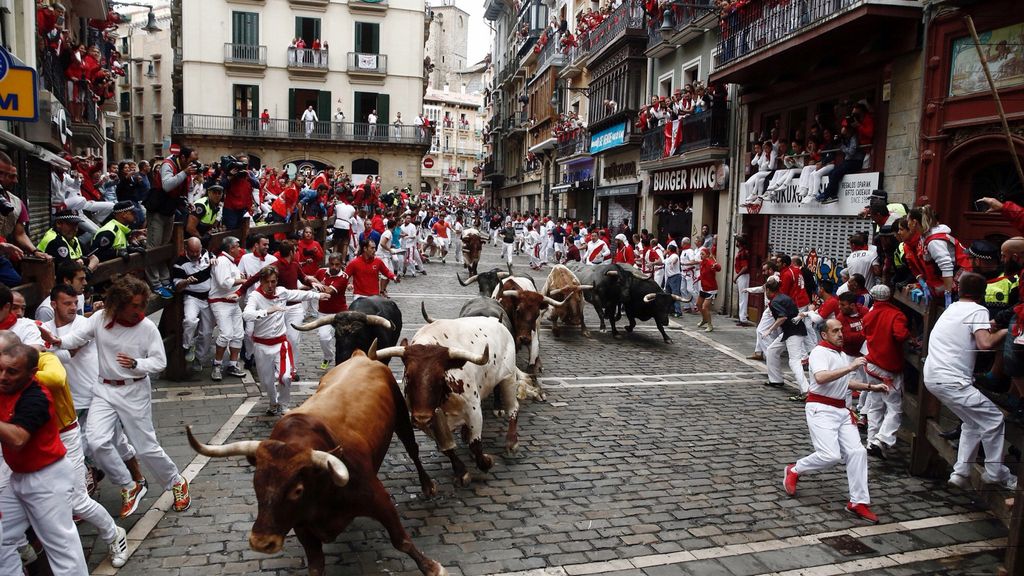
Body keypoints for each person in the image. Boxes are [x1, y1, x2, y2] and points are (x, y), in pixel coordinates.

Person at [41, 274, 193, 518]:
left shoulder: (147, 328)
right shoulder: (101, 319)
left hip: (134, 390)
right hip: (103, 389)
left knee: (145, 447)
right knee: (96, 440)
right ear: (119, 304)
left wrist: (136, 363)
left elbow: (159, 361)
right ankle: (128, 485)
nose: (140, 310)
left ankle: (176, 481)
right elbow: (78, 338)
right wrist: (57, 340)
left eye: (142, 304)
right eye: (134, 305)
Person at [782, 318, 888, 524]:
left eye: (841, 330)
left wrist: (870, 387)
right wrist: (851, 367)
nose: (841, 334)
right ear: (824, 334)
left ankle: (858, 501)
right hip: (821, 409)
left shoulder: (838, 354)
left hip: (841, 410)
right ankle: (795, 469)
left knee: (857, 452)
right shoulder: (819, 353)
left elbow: (843, 381)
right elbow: (821, 378)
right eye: (836, 331)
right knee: (830, 455)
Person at [0, 343, 90, 574]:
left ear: (31, 373)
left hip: (47, 478)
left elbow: (19, 438)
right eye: (0, 370)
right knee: (3, 538)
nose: (3, 377)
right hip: (18, 476)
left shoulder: (37, 396)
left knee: (61, 546)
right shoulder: (4, 389)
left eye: (12, 372)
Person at [924, 272, 1017, 490]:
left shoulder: (952, 309)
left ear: (959, 289)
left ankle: (961, 472)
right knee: (994, 420)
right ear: (982, 293)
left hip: (933, 376)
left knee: (972, 422)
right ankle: (996, 472)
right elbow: (985, 344)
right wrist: (1005, 331)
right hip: (953, 380)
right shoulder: (978, 310)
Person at [243, 267, 327, 415]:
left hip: (280, 343)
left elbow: (298, 294)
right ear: (261, 282)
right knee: (267, 382)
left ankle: (283, 404)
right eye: (267, 282)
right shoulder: (255, 297)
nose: (270, 285)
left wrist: (318, 296)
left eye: (273, 281)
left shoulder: (281, 291)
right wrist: (266, 311)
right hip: (261, 345)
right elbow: (247, 315)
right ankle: (273, 402)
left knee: (286, 376)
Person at [860, 284, 910, 459]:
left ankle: (871, 441)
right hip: (888, 367)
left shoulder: (869, 315)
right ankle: (883, 439)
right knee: (894, 406)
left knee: (875, 404)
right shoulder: (896, 314)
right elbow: (901, 335)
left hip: (872, 364)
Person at [0, 152, 51, 286]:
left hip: (1, 257)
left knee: (17, 287)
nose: (15, 180)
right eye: (8, 176)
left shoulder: (15, 202)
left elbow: (20, 233)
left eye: (10, 175)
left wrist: (34, 251)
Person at [208, 236, 248, 381]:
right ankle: (217, 365)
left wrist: (241, 278)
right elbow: (224, 283)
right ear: (231, 248)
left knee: (238, 334)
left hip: (233, 303)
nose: (240, 249)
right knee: (226, 334)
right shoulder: (222, 261)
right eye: (237, 246)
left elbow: (233, 280)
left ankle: (233, 364)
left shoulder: (231, 263)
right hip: (220, 302)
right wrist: (243, 280)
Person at [173, 237, 214, 369]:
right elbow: (177, 287)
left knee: (207, 332)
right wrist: (186, 282)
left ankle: (199, 359)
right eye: (192, 252)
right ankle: (188, 345)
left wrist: (214, 259)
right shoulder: (179, 263)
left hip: (208, 298)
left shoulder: (208, 254)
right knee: (190, 320)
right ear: (186, 249)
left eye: (198, 251)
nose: (196, 255)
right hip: (192, 297)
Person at [762, 277, 809, 394]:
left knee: (794, 361)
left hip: (794, 333)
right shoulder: (784, 297)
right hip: (789, 331)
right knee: (771, 350)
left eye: (765, 291)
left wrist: (769, 330)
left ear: (768, 290)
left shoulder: (775, 302)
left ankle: (806, 390)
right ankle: (775, 380)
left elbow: (782, 317)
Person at [313, 253, 349, 370]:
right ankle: (328, 357)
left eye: (337, 265)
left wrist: (317, 285)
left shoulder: (344, 277)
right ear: (328, 263)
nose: (334, 267)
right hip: (323, 312)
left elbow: (328, 291)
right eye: (332, 264)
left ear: (341, 264)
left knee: (343, 339)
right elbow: (310, 283)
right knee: (324, 338)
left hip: (340, 313)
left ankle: (343, 363)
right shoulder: (321, 272)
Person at [91, 200, 144, 265]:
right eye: (133, 213)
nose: (136, 215)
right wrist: (116, 252)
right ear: (124, 214)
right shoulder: (109, 231)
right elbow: (95, 254)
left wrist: (130, 249)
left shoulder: (122, 228)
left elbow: (119, 246)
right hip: (106, 271)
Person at [697, 246, 721, 332]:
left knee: (705, 307)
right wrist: (698, 278)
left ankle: (710, 325)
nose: (701, 255)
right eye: (701, 254)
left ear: (707, 255)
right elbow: (703, 274)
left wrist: (716, 265)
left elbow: (718, 268)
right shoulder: (702, 263)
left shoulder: (710, 262)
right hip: (704, 287)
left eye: (702, 254)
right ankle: (704, 319)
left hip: (711, 289)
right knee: (698, 304)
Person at [333, 193, 356, 262]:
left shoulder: (338, 206)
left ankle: (333, 259)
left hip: (338, 224)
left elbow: (336, 214)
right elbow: (350, 217)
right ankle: (343, 261)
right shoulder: (353, 209)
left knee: (336, 243)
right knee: (345, 244)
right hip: (346, 225)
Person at [734, 236, 751, 326]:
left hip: (743, 276)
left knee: (743, 297)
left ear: (739, 243)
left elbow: (745, 267)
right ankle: (742, 317)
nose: (736, 243)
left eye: (737, 241)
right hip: (742, 276)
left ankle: (743, 318)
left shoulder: (743, 253)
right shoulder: (742, 252)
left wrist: (737, 276)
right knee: (742, 297)